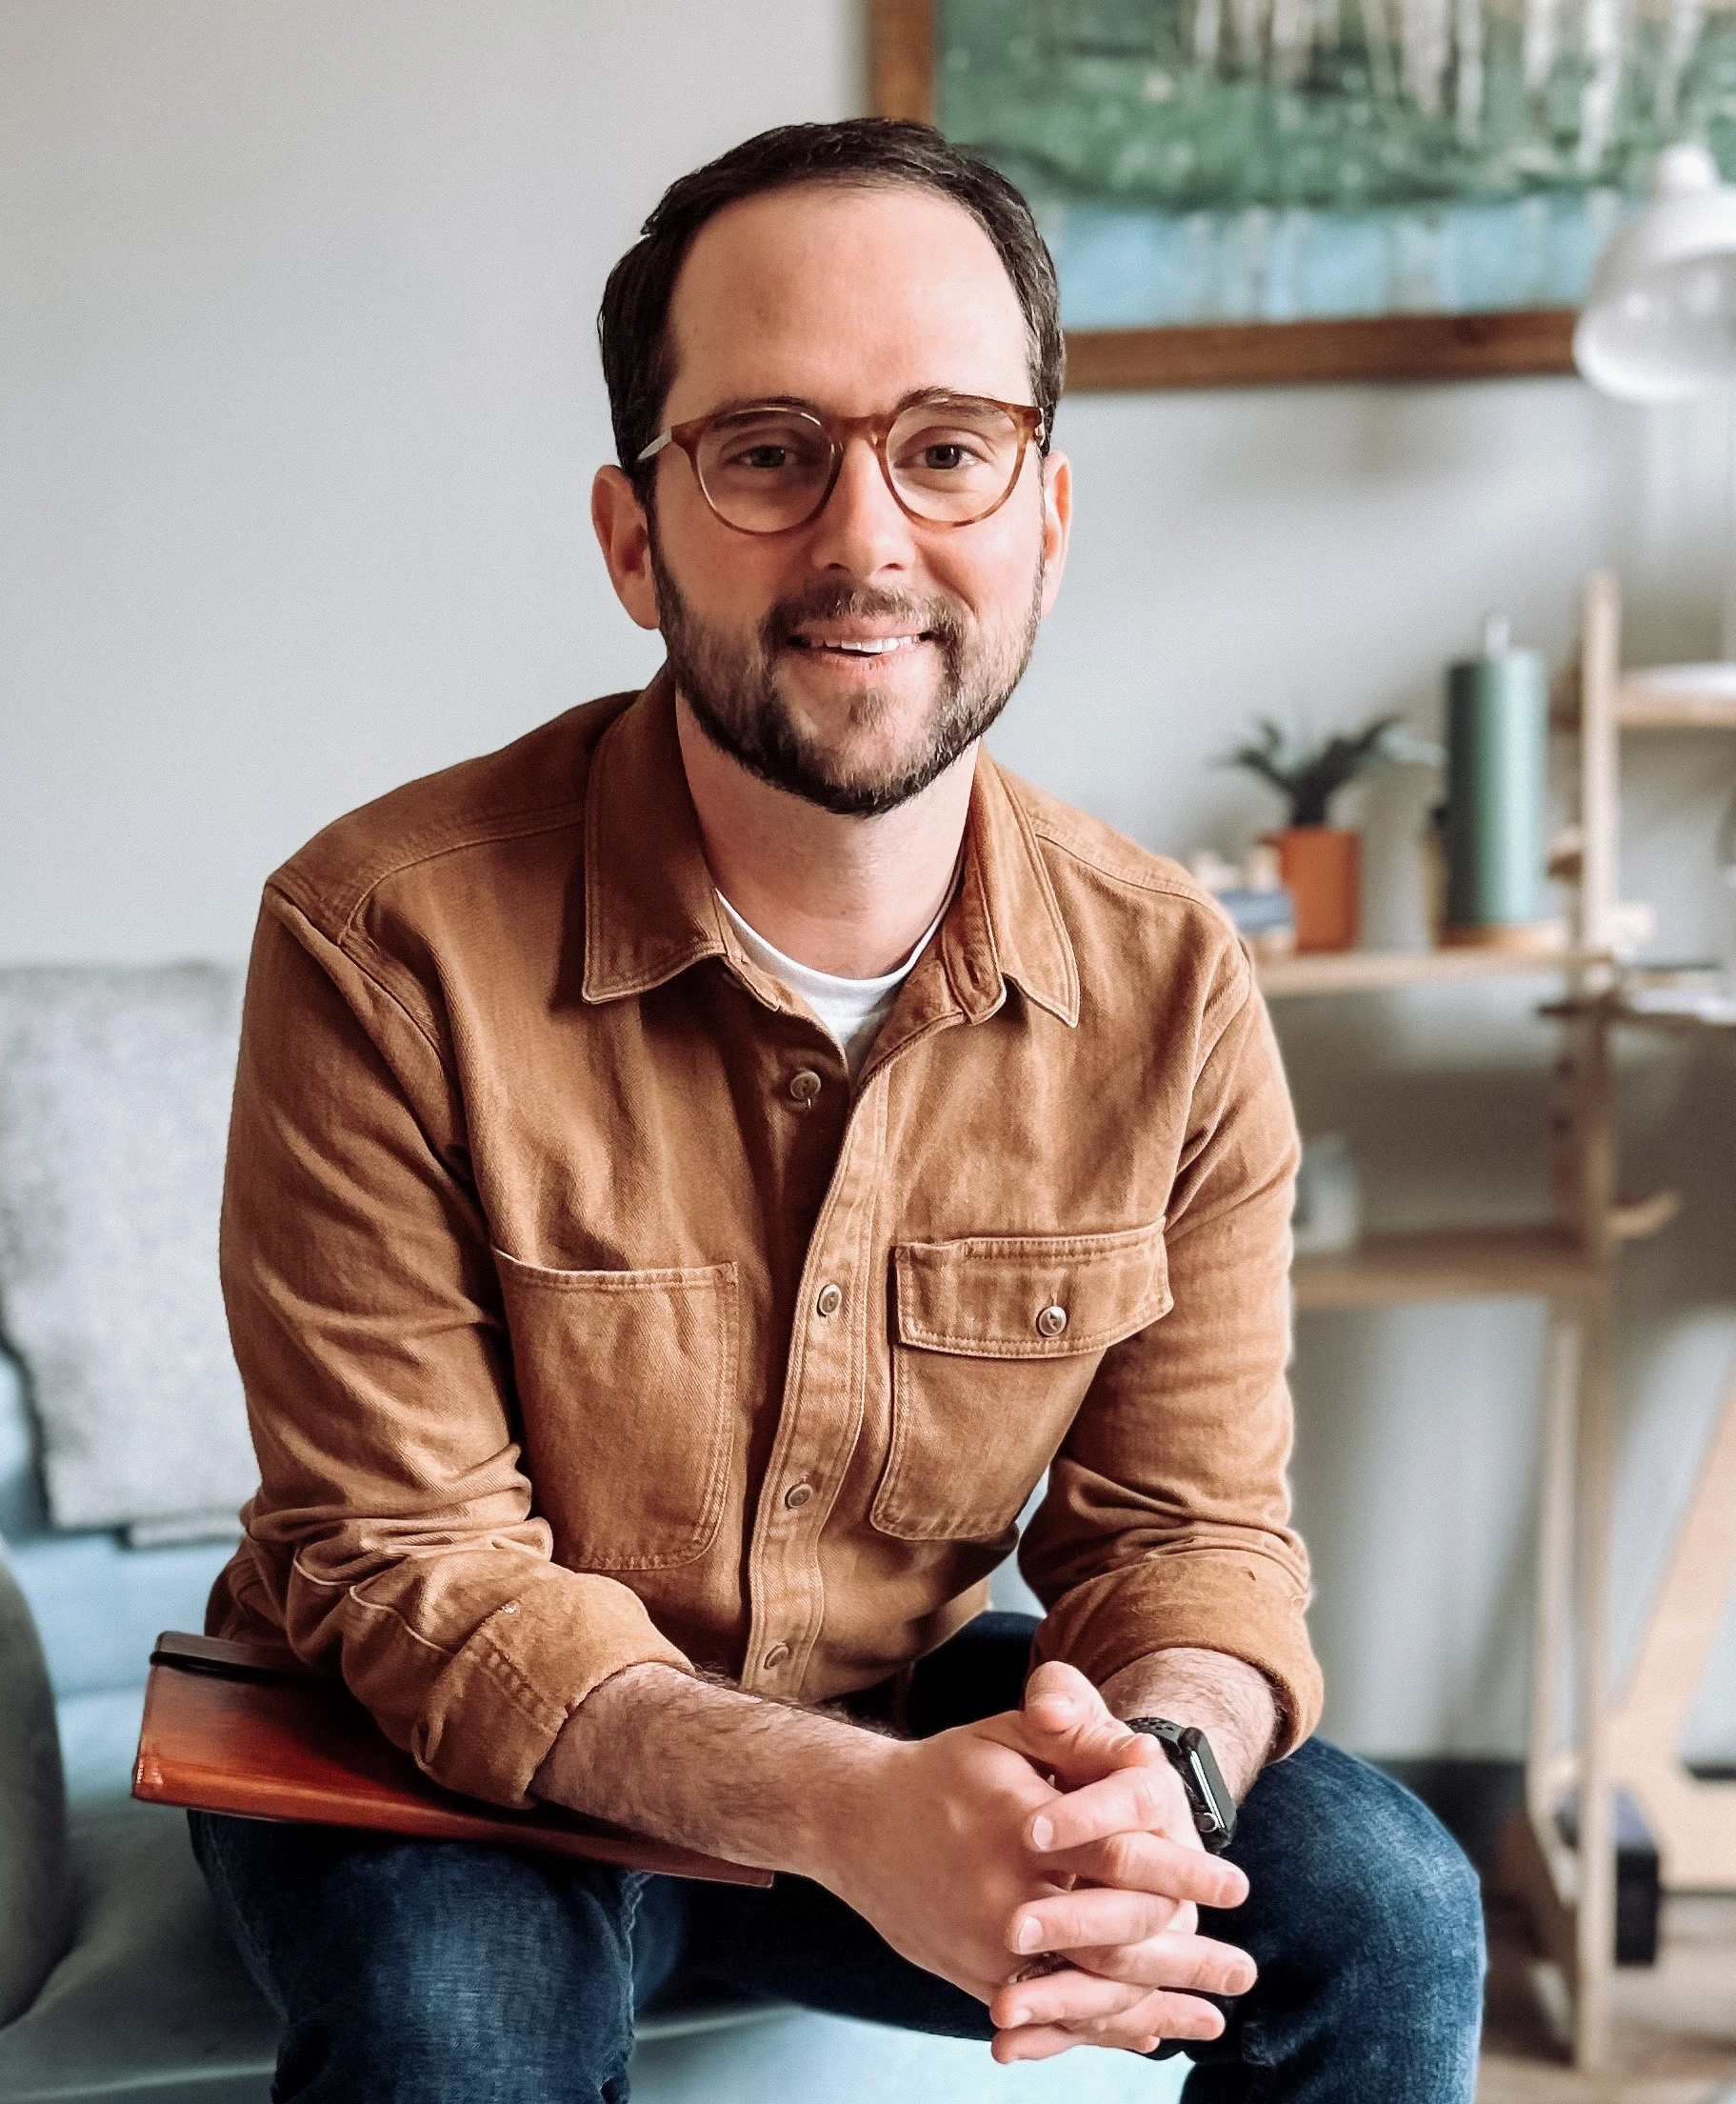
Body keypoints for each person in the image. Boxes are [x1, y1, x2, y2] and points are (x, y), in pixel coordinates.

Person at [190, 118, 1485, 2103]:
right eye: (769, 453)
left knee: (1385, 1908)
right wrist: (848, 1813)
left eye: (947, 448)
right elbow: (412, 1573)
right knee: (454, 2035)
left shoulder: (1166, 978)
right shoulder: (382, 940)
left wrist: (1162, 1769)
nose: (866, 544)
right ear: (637, 538)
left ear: (1045, 516)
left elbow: (1192, 1534)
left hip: (880, 1701)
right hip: (435, 1756)